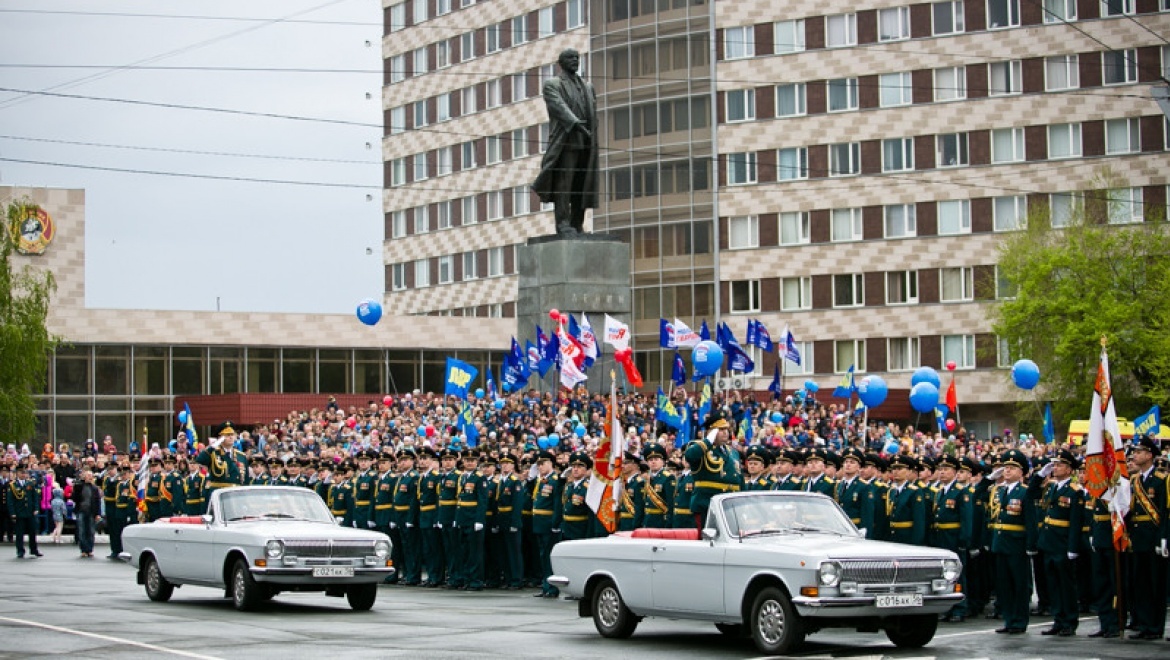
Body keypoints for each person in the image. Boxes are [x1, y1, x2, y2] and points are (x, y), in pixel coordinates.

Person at [532, 48, 598, 236]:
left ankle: (577, 223)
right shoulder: (553, 84)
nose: (575, 60)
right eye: (570, 58)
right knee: (564, 184)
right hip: (566, 142)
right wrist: (574, 122)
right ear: (561, 63)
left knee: (582, 184)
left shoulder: (588, 87)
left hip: (586, 142)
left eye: (577, 57)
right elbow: (558, 107)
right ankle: (563, 223)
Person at [1125, 436, 1168, 640]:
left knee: (1155, 584)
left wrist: (1163, 538)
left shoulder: (1161, 480)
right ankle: (1144, 623)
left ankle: (1155, 626)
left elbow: (1165, 513)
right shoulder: (1135, 480)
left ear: (1150, 455)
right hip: (1138, 538)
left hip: (1153, 538)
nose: (1135, 455)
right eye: (1135, 452)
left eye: (1139, 452)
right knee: (1140, 583)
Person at [990, 449, 1036, 635]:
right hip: (1001, 543)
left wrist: (1031, 545)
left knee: (1019, 585)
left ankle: (1019, 620)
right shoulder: (1000, 491)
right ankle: (1009, 619)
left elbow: (1030, 521)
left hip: (1017, 545)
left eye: (1012, 468)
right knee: (1004, 585)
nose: (1007, 470)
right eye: (1005, 467)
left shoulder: (1025, 492)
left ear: (1021, 472)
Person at [7, 464, 42, 558]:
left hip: (30, 511)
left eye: (24, 473)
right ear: (17, 473)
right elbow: (10, 501)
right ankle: (20, 551)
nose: (23, 474)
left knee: (32, 532)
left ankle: (34, 550)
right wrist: (12, 513)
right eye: (21, 473)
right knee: (19, 533)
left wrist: (36, 508)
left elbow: (35, 497)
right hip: (19, 512)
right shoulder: (13, 485)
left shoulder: (30, 483)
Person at [71, 469, 102, 558]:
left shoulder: (94, 488)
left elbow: (97, 501)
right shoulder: (79, 486)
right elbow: (74, 498)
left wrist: (98, 513)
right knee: (82, 531)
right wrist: (77, 486)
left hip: (91, 512)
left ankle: (90, 549)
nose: (89, 477)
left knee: (91, 531)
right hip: (81, 511)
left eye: (91, 475)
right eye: (88, 475)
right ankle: (83, 549)